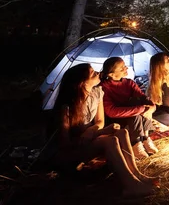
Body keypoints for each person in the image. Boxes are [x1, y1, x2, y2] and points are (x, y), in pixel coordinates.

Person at [54, 63, 158, 197]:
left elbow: (100, 121)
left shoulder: (97, 93)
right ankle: (130, 185)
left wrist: (94, 131)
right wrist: (98, 133)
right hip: (73, 149)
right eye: (92, 73)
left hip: (90, 139)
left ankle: (137, 175)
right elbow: (65, 144)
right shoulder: (67, 108)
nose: (98, 73)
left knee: (122, 132)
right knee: (110, 141)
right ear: (82, 83)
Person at [100, 57, 158, 160]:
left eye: (125, 66)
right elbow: (111, 112)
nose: (126, 68)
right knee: (135, 106)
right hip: (117, 119)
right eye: (122, 68)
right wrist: (140, 109)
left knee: (136, 101)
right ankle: (135, 142)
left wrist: (151, 107)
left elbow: (143, 98)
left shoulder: (129, 83)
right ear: (111, 74)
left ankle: (145, 137)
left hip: (134, 118)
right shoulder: (105, 87)